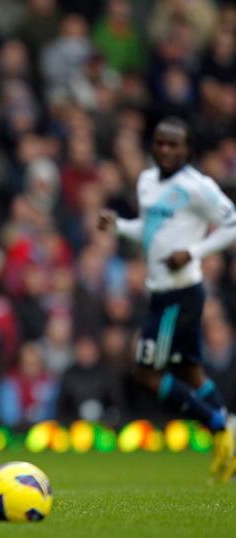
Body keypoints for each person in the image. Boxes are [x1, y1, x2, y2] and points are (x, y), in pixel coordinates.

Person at [98, 116, 236, 481]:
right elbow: (150, 229)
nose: (165, 150)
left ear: (187, 148)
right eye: (160, 143)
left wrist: (193, 252)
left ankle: (220, 426)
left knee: (146, 373)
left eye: (174, 144)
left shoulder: (197, 186)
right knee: (189, 370)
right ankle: (230, 440)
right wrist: (118, 226)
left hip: (180, 292)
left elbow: (232, 223)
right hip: (162, 291)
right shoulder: (146, 181)